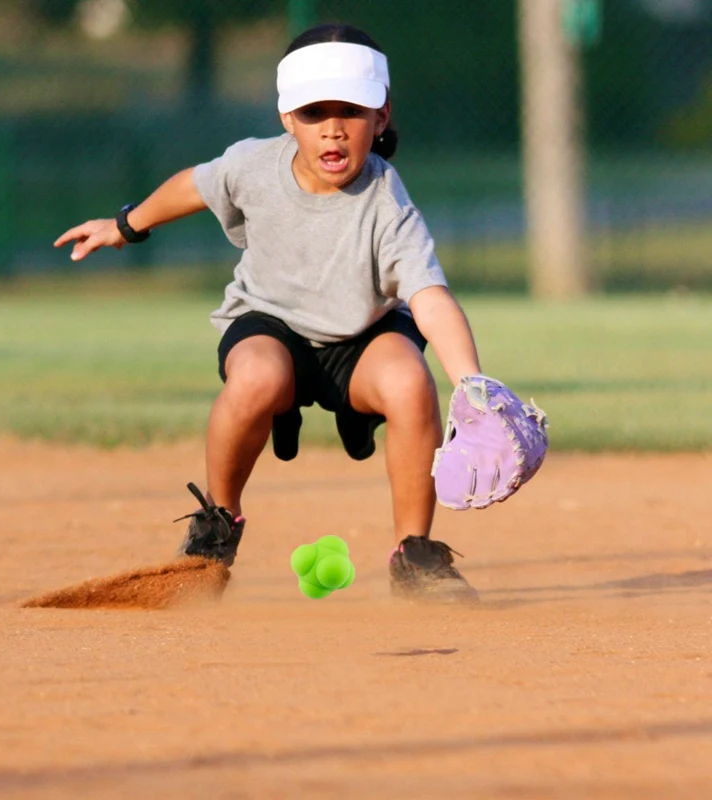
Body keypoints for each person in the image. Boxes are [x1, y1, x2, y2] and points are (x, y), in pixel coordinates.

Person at [55, 22, 484, 602]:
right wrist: (127, 226)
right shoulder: (255, 166)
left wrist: (473, 387)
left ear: (380, 117)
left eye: (351, 110)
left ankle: (414, 555)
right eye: (314, 112)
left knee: (411, 381)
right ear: (287, 117)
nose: (332, 128)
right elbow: (195, 187)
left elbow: (429, 296)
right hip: (270, 323)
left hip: (361, 334)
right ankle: (216, 528)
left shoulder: (388, 201)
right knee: (257, 376)